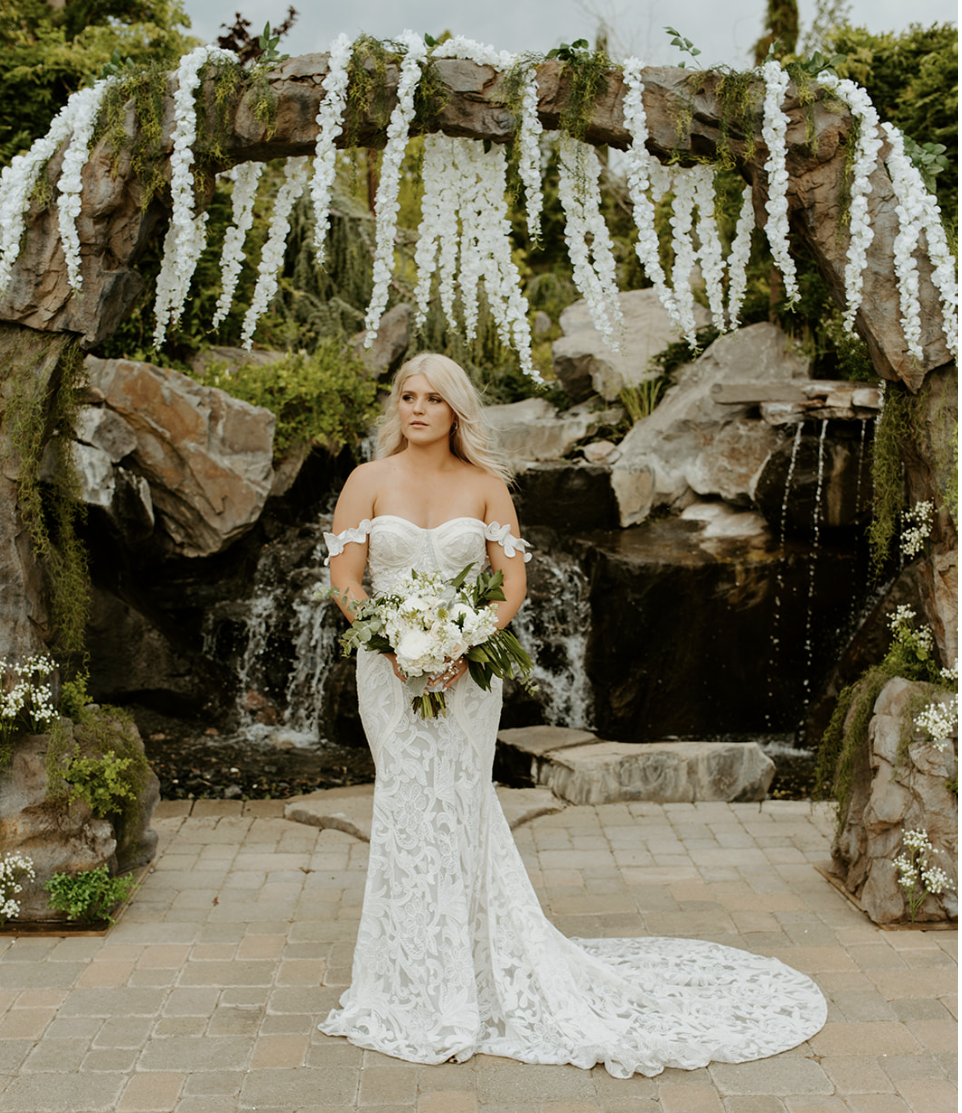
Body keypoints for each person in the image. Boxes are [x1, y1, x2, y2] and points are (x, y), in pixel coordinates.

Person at [320, 351, 827, 1078]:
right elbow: (345, 580)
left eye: (433, 397)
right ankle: (406, 980)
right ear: (396, 407)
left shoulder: (487, 485)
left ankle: (471, 975)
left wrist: (467, 639)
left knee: (461, 804)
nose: (418, 408)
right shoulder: (367, 481)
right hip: (388, 671)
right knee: (405, 802)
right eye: (408, 396)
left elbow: (511, 582)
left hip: (468, 672)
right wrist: (393, 637)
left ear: (456, 409)